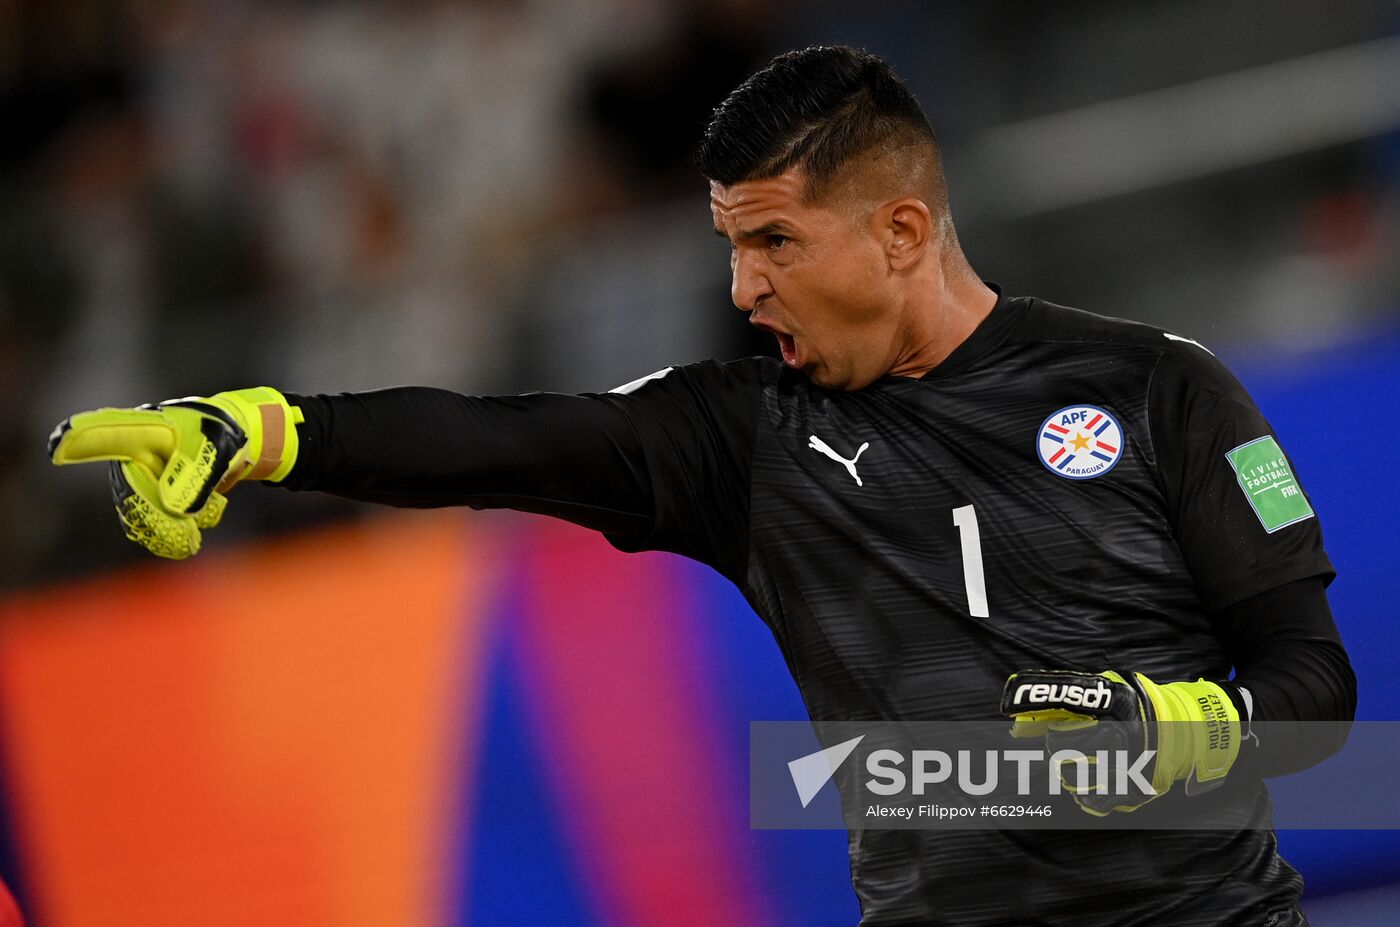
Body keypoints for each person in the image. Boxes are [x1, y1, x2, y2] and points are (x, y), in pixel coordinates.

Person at [49, 46, 1355, 926]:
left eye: (776, 243)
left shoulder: (1163, 389)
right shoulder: (745, 443)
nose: (742, 290)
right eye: (732, 247)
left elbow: (1315, 695)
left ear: (901, 231)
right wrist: (259, 429)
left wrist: (1166, 726)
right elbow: (497, 439)